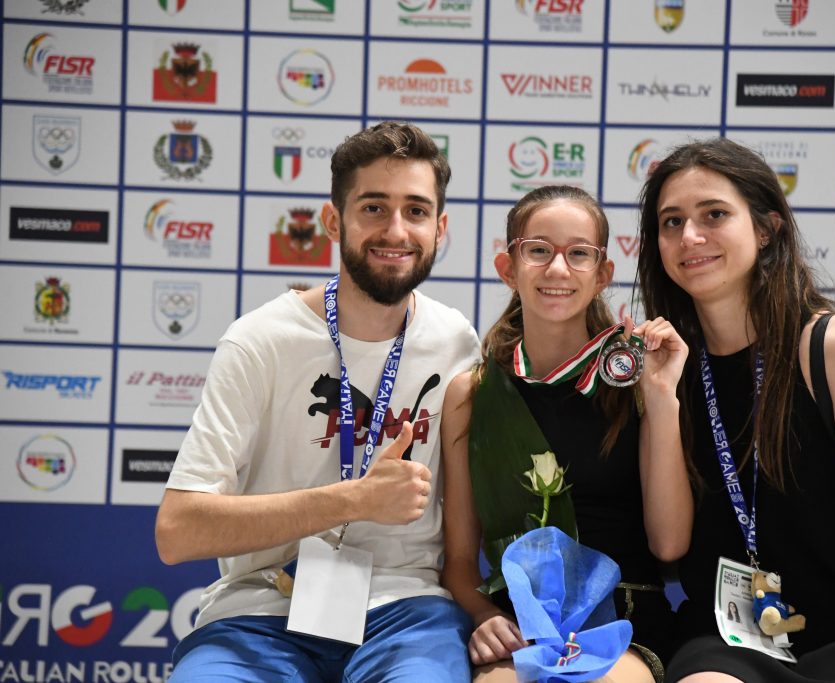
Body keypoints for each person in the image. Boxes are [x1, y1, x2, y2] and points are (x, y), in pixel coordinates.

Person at [155, 121, 480, 682]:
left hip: (407, 614)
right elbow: (178, 531)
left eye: (416, 211)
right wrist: (353, 499)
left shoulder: (456, 342)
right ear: (334, 220)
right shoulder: (259, 340)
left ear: (440, 227)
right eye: (374, 208)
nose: (396, 230)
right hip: (260, 610)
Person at [635, 138, 835, 683]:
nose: (690, 236)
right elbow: (668, 546)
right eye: (671, 222)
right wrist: (661, 401)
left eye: (714, 214)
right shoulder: (670, 363)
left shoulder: (833, 345)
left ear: (766, 228)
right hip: (730, 639)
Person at [440, 185, 693, 683]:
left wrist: (663, 399)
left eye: (579, 253)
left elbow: (669, 545)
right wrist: (482, 615)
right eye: (538, 250)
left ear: (602, 275)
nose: (558, 269)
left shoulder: (636, 379)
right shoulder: (472, 394)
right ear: (508, 268)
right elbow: (460, 561)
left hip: (624, 620)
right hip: (517, 622)